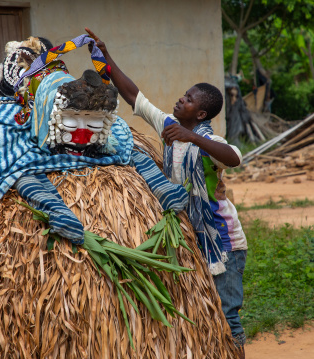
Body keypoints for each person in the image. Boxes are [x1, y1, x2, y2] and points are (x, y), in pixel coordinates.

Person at [85, 28, 248, 358]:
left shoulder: (206, 142)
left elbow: (234, 157)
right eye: (184, 94)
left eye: (188, 99)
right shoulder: (170, 126)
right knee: (204, 317)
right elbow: (134, 96)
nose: (180, 99)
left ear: (200, 114)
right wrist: (103, 54)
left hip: (223, 241)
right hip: (192, 236)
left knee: (228, 319)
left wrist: (191, 138)